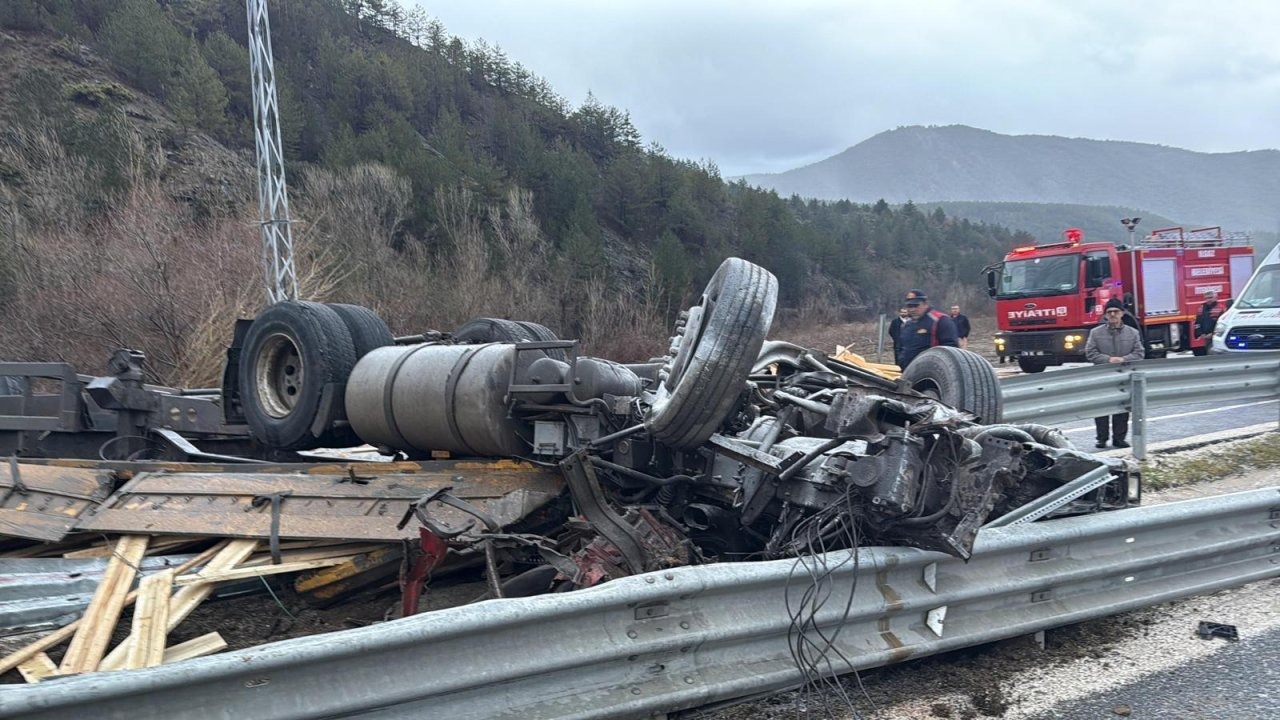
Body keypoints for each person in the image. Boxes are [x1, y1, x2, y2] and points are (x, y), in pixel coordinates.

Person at [1085, 299, 1144, 448]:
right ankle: (1101, 438)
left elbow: (1139, 353)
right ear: (1105, 315)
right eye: (1109, 312)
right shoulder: (1095, 333)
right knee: (1101, 408)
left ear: (1122, 313)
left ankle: (1119, 438)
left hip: (1123, 377)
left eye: (1115, 311)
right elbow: (1090, 353)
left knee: (1122, 407)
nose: (1112, 314)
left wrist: (1124, 359)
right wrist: (1108, 359)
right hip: (1102, 377)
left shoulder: (1133, 333)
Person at [898, 289, 958, 369]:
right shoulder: (907, 325)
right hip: (908, 372)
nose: (912, 309)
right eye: (909, 306)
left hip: (931, 372)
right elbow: (902, 348)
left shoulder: (940, 320)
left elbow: (951, 349)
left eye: (916, 305)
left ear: (925, 304)